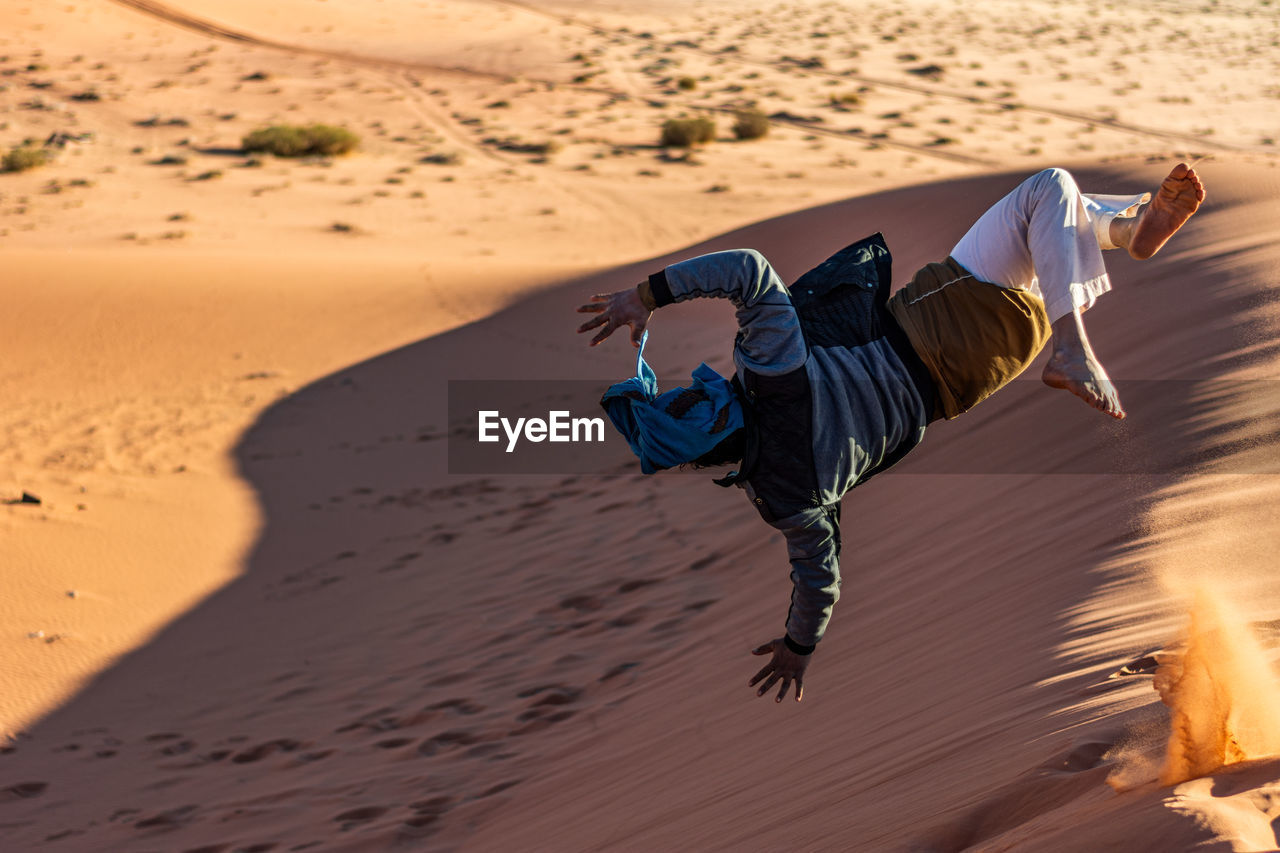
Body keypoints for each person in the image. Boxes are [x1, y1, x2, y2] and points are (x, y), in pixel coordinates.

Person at [575, 164, 1205, 704]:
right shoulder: (770, 371)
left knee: (1052, 222)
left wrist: (799, 647)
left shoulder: (784, 492)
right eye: (685, 399)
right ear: (706, 417)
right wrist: (645, 296)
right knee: (1048, 189)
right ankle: (1076, 341)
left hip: (975, 376)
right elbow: (748, 269)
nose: (694, 386)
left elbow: (821, 578)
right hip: (944, 316)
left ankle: (1127, 230)